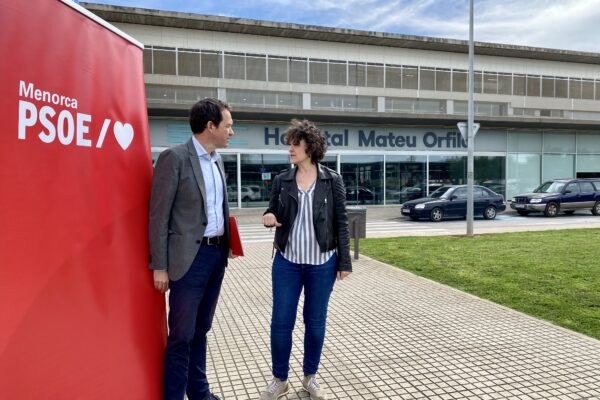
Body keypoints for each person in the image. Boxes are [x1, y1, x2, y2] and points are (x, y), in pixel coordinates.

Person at [149, 98, 235, 400]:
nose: (231, 132)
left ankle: (200, 394)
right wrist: (160, 266)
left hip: (216, 256)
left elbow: (217, 209)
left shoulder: (217, 160)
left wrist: (228, 242)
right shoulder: (174, 158)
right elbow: (158, 216)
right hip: (188, 261)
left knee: (201, 329)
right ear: (210, 126)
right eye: (228, 126)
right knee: (182, 336)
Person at [260, 119, 352, 400]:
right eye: (289, 144)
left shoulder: (332, 180)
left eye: (295, 144)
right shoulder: (282, 180)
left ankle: (310, 377)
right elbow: (272, 209)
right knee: (281, 322)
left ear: (310, 148)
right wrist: (269, 215)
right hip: (287, 262)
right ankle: (280, 379)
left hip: (322, 263)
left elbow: (341, 222)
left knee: (315, 322)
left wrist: (344, 261)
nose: (290, 149)